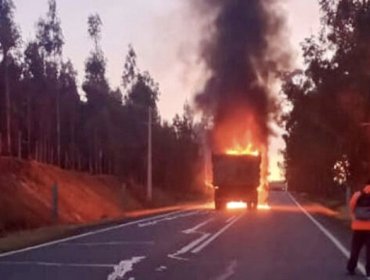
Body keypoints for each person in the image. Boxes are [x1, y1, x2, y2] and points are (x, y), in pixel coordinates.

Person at [347, 181, 370, 278]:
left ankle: (351, 268)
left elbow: (351, 206)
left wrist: (354, 217)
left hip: (357, 226)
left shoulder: (357, 194)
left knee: (355, 248)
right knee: (369, 251)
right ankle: (369, 271)